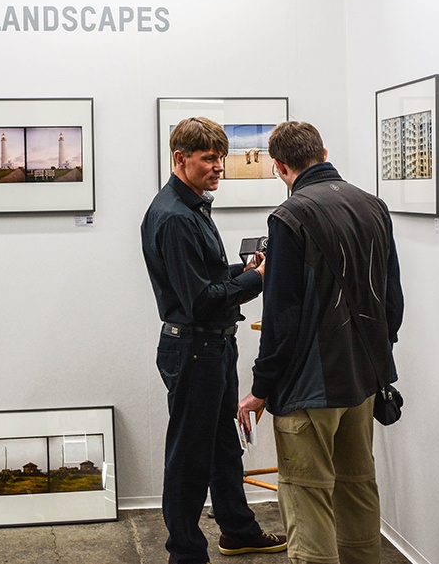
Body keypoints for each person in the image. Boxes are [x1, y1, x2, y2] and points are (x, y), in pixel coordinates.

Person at [238, 121, 404, 564]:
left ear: (278, 167)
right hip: (362, 380)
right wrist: (376, 357)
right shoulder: (374, 206)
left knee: (308, 498)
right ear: (324, 152)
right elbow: (393, 300)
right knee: (357, 486)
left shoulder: (289, 218)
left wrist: (260, 388)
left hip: (310, 388)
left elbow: (281, 319)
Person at [141, 117, 288, 564]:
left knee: (223, 445)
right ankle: (185, 554)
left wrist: (241, 272)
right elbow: (201, 301)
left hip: (211, 346)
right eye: (209, 158)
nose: (219, 167)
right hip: (195, 348)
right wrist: (258, 279)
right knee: (189, 458)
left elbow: (204, 281)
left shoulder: (191, 208)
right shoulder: (176, 217)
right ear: (179, 158)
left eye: (222, 157)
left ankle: (238, 530)